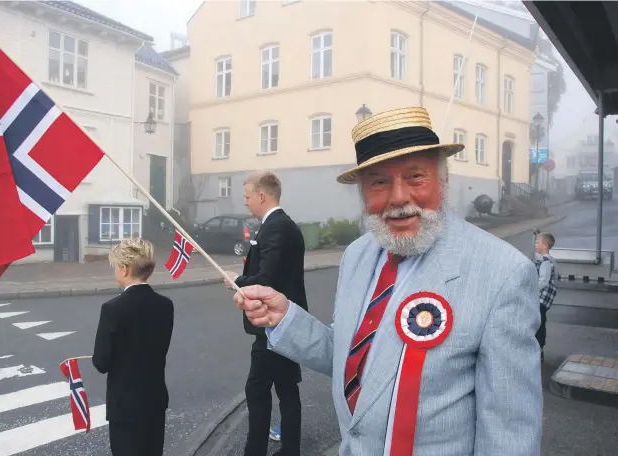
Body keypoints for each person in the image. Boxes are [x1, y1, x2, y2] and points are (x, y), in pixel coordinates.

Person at [235, 107, 542, 456]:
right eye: (380, 181)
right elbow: (355, 359)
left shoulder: (503, 272)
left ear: (443, 181)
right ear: (364, 193)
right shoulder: (357, 255)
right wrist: (286, 317)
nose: (398, 197)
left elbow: (509, 437)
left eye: (415, 177)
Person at [224, 171, 307, 456]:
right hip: (285, 320)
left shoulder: (276, 227)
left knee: (258, 389)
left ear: (261, 195)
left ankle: (256, 450)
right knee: (285, 387)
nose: (246, 202)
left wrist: (238, 280)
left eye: (247, 196)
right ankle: (290, 448)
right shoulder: (281, 225)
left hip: (274, 323)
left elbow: (268, 277)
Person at [92, 238, 174, 456]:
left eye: (116, 267)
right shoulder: (165, 305)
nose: (115, 272)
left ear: (125, 269)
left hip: (125, 404)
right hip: (154, 398)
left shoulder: (112, 309)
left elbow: (101, 362)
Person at [534, 231, 558, 360]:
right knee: (539, 322)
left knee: (539, 323)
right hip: (541, 298)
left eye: (537, 242)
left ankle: (539, 349)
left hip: (542, 298)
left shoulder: (546, 262)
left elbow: (543, 281)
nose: (535, 244)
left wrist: (531, 289)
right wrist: (536, 235)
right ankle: (538, 348)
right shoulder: (545, 259)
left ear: (545, 246)